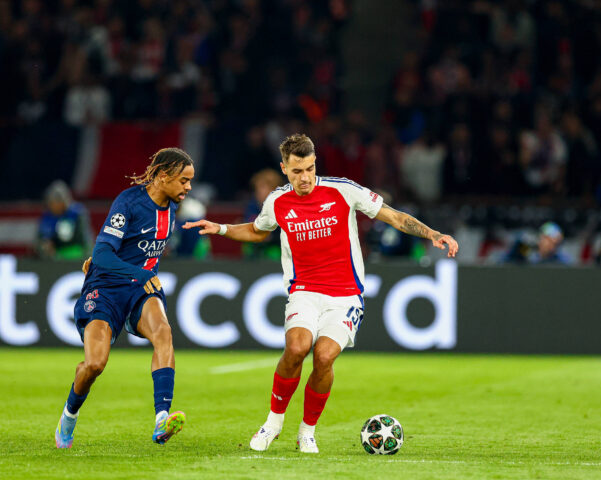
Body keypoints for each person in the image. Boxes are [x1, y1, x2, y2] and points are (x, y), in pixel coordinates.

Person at [183, 134, 459, 453]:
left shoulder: (343, 190)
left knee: (325, 356)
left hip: (346, 295)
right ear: (285, 169)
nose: (305, 178)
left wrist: (433, 233)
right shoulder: (277, 201)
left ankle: (307, 431)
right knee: (297, 347)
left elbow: (394, 216)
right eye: (297, 171)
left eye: (310, 169)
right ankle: (272, 424)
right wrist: (220, 229)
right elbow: (259, 231)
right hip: (304, 290)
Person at [55, 148, 195, 449]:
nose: (188, 187)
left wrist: (142, 276)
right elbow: (103, 253)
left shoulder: (171, 207)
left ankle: (161, 420)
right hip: (105, 289)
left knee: (163, 332)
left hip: (139, 290)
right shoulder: (128, 203)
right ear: (162, 176)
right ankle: (69, 415)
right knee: (94, 365)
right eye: (183, 180)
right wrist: (140, 273)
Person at [36, 180, 92, 260]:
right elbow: (39, 239)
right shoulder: (47, 217)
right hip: (53, 259)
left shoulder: (76, 214)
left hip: (76, 258)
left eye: (55, 202)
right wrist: (44, 246)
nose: (52, 206)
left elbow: (86, 241)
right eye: (50, 203)